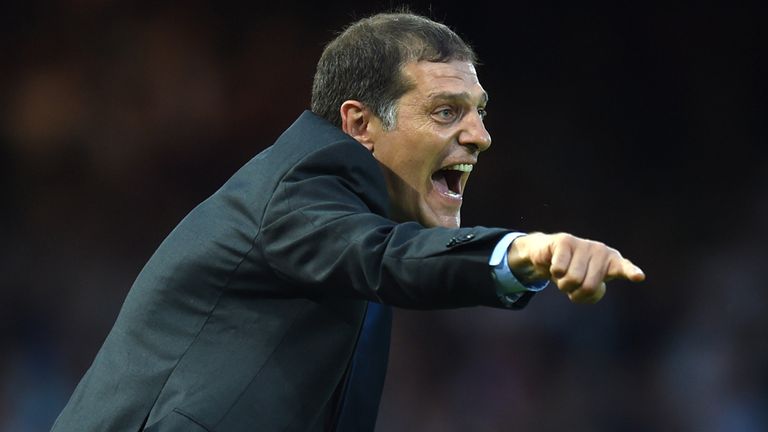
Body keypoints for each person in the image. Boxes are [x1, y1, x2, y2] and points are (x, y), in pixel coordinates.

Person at [51, 11, 645, 432]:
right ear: (360, 125)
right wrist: (520, 253)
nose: (480, 137)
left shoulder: (358, 211)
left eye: (479, 113)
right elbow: (385, 256)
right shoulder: (304, 185)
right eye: (446, 112)